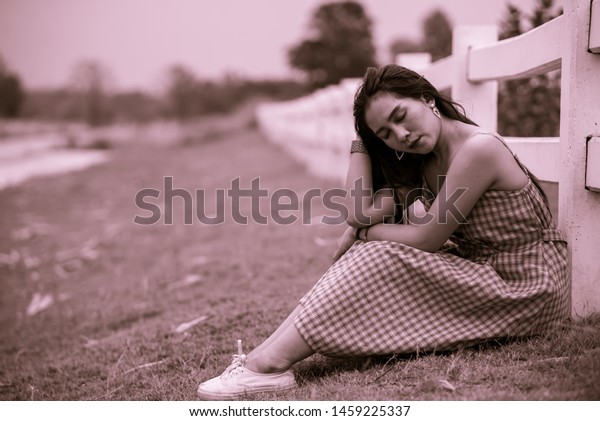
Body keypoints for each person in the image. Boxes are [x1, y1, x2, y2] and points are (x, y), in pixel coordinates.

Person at [196, 64, 569, 400]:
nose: (401, 135)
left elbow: (426, 239)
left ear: (427, 98)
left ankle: (265, 365)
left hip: (526, 284)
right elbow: (358, 212)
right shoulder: (424, 162)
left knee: (380, 251)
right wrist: (362, 141)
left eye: (401, 116)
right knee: (373, 248)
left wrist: (364, 236)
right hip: (485, 273)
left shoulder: (478, 150)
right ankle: (260, 362)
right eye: (386, 134)